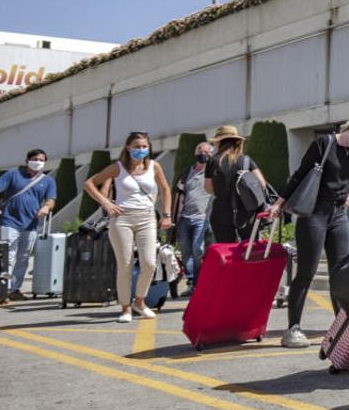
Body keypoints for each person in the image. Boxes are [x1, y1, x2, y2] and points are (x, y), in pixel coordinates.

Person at [268, 114, 349, 348]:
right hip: (314, 214)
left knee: (340, 272)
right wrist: (279, 203)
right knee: (307, 272)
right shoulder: (324, 143)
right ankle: (293, 328)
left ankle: (340, 326)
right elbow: (300, 174)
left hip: (339, 214)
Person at [82, 132, 173, 323]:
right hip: (122, 218)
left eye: (144, 147)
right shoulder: (118, 168)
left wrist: (166, 214)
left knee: (149, 263)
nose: (141, 150)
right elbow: (89, 183)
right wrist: (106, 203)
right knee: (125, 264)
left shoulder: (153, 166)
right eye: (137, 146)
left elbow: (165, 189)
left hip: (147, 217)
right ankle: (125, 308)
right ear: (128, 148)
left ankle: (139, 301)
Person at [0, 149, 57, 302]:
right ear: (27, 160)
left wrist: (46, 207)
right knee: (8, 256)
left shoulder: (48, 180)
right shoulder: (13, 174)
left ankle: (14, 289)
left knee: (23, 257)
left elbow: (51, 199)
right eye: (35, 159)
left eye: (41, 160)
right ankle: (2, 289)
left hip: (31, 224)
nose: (38, 162)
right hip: (9, 221)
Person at [204, 126, 269, 243]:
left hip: (221, 212)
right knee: (249, 250)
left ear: (219, 142)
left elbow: (208, 188)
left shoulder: (213, 161)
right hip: (245, 210)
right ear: (236, 142)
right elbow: (262, 184)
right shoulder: (245, 160)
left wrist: (222, 190)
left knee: (226, 251)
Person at [174, 141, 214, 295]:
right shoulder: (186, 173)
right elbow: (177, 193)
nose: (202, 154)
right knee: (185, 251)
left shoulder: (212, 174)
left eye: (206, 152)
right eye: (200, 151)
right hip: (184, 218)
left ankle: (199, 282)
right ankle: (191, 282)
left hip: (203, 218)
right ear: (195, 153)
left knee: (198, 249)